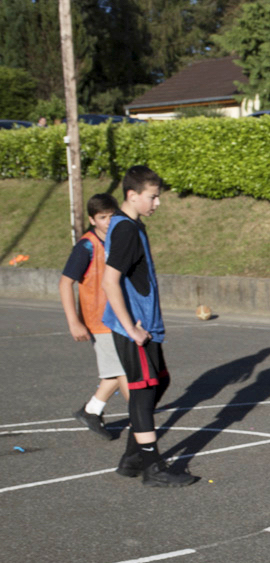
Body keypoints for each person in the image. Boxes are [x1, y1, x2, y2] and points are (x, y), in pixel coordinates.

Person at [100, 166, 199, 487]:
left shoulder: (131, 225)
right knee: (143, 391)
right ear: (132, 195)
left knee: (159, 382)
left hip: (146, 325)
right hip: (135, 328)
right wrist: (131, 327)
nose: (157, 203)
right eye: (153, 197)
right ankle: (152, 467)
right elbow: (109, 281)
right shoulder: (125, 230)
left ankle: (132, 457)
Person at [58, 192, 128, 440]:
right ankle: (142, 427)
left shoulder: (118, 241)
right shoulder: (86, 246)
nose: (108, 222)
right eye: (102, 217)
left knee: (118, 371)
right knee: (126, 373)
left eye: (112, 216)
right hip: (99, 320)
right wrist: (74, 321)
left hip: (121, 318)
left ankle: (91, 411)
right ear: (92, 220)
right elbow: (65, 283)